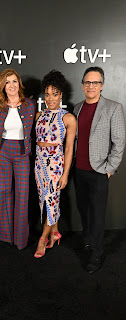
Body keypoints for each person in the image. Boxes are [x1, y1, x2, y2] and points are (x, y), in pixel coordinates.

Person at [74, 66, 126, 273]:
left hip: (99, 171)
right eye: (87, 82)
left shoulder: (113, 108)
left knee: (96, 214)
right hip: (79, 170)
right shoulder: (77, 108)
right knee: (83, 209)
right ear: (83, 85)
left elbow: (119, 142)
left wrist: (109, 169)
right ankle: (88, 240)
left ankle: (97, 252)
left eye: (95, 82)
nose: (91, 86)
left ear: (102, 85)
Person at [34, 70, 77, 258]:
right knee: (46, 201)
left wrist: (65, 174)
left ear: (62, 95)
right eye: (48, 94)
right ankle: (55, 232)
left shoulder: (68, 118)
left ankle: (43, 239)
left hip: (55, 166)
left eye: (55, 94)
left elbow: (69, 149)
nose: (50, 98)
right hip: (38, 164)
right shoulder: (39, 115)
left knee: (51, 200)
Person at [0, 69, 36, 250]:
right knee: (3, 192)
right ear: (2, 86)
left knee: (22, 195)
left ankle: (20, 239)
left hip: (22, 152)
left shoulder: (30, 105)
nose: (11, 85)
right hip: (2, 151)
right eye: (7, 82)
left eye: (14, 81)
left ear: (19, 83)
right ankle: (6, 236)